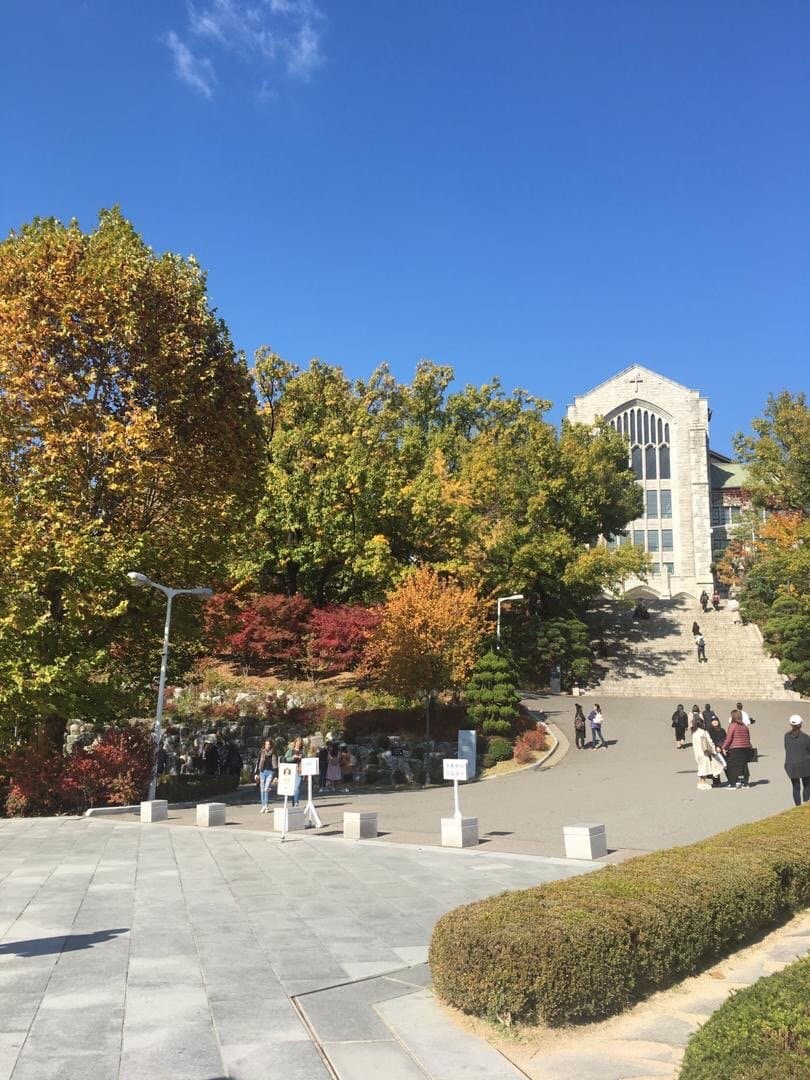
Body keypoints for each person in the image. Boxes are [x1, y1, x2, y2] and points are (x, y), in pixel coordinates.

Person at [722, 709, 753, 789]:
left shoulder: (733, 725)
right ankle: (745, 783)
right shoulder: (744, 726)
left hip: (735, 748)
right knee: (743, 766)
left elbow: (729, 738)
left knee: (732, 766)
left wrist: (724, 747)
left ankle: (733, 783)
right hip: (745, 747)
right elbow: (748, 737)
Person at [784, 715, 810, 806]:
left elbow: (787, 748)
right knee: (807, 785)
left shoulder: (786, 736)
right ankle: (806, 804)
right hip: (804, 765)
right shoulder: (805, 737)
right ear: (801, 724)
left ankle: (798, 806)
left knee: (796, 787)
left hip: (790, 765)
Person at [691, 716, 715, 791]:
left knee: (701, 766)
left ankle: (700, 782)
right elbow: (710, 742)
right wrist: (713, 750)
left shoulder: (694, 733)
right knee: (704, 767)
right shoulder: (704, 732)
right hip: (704, 752)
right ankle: (702, 782)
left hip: (697, 752)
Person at [253, 738, 277, 814]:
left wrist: (276, 775)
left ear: (271, 745)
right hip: (262, 772)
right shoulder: (261, 752)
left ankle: (266, 805)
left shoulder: (274, 753)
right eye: (266, 744)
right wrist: (256, 773)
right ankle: (263, 806)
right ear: (264, 745)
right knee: (262, 788)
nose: (267, 746)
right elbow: (258, 762)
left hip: (270, 772)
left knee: (266, 789)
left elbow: (276, 765)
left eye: (269, 744)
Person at [284, 737, 304, 806]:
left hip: (299, 770)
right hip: (292, 770)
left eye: (300, 742)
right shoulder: (291, 750)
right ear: (295, 742)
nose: (299, 743)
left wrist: (302, 759)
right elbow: (286, 759)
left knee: (297, 787)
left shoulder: (302, 751)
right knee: (293, 788)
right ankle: (294, 802)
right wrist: (293, 757)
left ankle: (296, 802)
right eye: (297, 742)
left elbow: (306, 760)